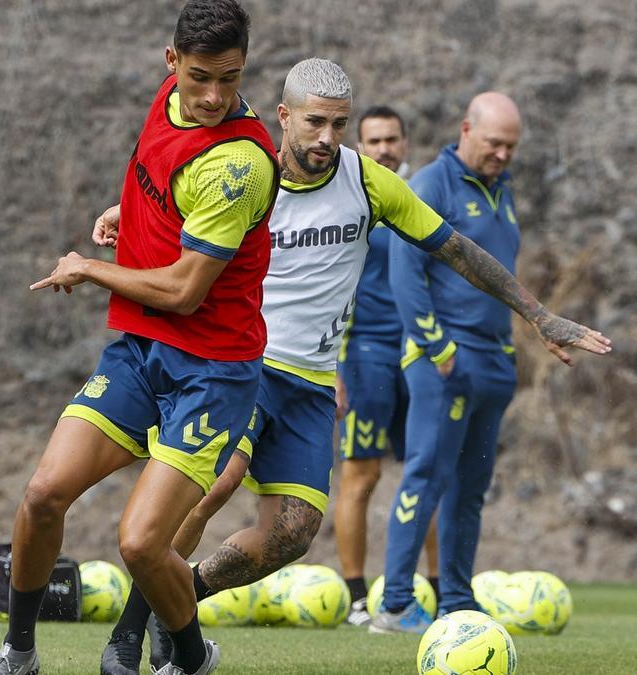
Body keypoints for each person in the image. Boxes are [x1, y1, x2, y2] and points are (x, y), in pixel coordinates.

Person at [100, 60, 610, 673]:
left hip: (312, 384)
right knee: (214, 485)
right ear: (285, 116)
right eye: (315, 122)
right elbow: (171, 194)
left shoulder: (369, 184)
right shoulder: (245, 170)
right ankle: (127, 637)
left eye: (338, 125)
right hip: (239, 364)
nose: (326, 137)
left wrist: (538, 315)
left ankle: (184, 596)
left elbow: (458, 249)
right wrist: (120, 211)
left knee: (292, 534)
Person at [0, 2, 279, 674]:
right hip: (143, 352)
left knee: (141, 543)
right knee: (43, 493)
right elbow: (159, 172)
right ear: (171, 63)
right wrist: (134, 211)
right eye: (200, 76)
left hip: (211, 371)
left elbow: (183, 291)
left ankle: (192, 659)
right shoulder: (169, 99)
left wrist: (88, 268)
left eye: (229, 79)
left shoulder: (238, 164)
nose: (213, 96)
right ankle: (18, 653)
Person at [371, 92, 557, 633]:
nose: (502, 154)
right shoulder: (431, 183)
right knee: (426, 474)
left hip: (495, 361)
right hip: (444, 361)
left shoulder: (504, 190)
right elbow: (405, 274)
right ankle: (396, 603)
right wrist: (438, 348)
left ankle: (456, 597)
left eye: (511, 147)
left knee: (471, 487)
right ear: (466, 130)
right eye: (495, 143)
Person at [332, 105, 438, 626]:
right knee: (362, 474)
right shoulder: (350, 201)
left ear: (404, 141)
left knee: (427, 469)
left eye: (391, 139)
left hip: (419, 351)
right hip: (366, 353)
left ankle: (440, 590)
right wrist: (331, 366)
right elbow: (327, 286)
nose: (383, 149)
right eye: (373, 141)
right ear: (360, 145)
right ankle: (355, 597)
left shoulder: (421, 198)